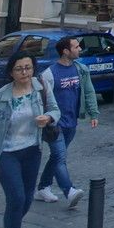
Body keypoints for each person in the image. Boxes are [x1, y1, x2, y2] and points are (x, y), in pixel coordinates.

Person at [0, 52, 60, 228]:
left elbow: (55, 109)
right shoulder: (1, 97)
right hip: (7, 153)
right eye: (19, 69)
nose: (25, 72)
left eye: (28, 67)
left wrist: (49, 118)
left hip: (32, 150)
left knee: (25, 200)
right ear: (11, 72)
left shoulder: (40, 88)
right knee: (16, 198)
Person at [33, 37, 98, 209]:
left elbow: (89, 92)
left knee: (56, 157)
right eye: (76, 47)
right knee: (60, 157)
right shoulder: (49, 74)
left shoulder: (80, 70)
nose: (80, 49)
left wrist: (93, 113)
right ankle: (69, 190)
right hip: (55, 124)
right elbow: (42, 100)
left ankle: (43, 188)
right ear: (65, 51)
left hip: (72, 122)